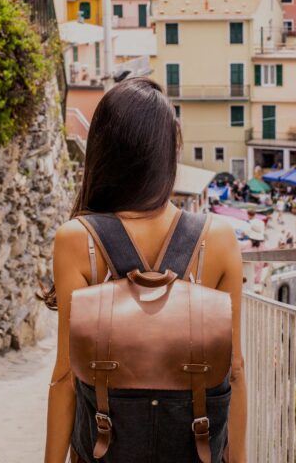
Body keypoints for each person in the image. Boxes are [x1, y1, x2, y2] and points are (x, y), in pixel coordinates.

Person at [44, 79, 246, 463]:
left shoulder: (77, 240)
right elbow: (234, 371)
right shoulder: (217, 239)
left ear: (102, 151)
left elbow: (65, 377)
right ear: (168, 153)